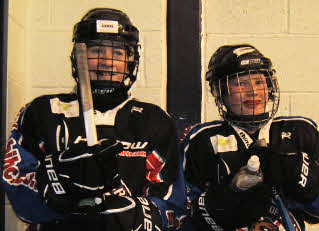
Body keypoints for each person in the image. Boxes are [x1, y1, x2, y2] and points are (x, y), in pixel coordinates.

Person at [2, 8, 188, 231]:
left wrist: (137, 215)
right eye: (97, 51)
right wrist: (58, 188)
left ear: (131, 61)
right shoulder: (41, 113)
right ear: (78, 56)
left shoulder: (154, 120)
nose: (106, 62)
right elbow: (17, 186)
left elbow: (171, 202)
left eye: (117, 53)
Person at [180, 44, 319, 231]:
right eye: (240, 83)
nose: (253, 91)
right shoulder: (199, 139)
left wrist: (297, 178)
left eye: (259, 82)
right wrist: (228, 196)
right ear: (220, 92)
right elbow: (182, 215)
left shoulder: (303, 131)